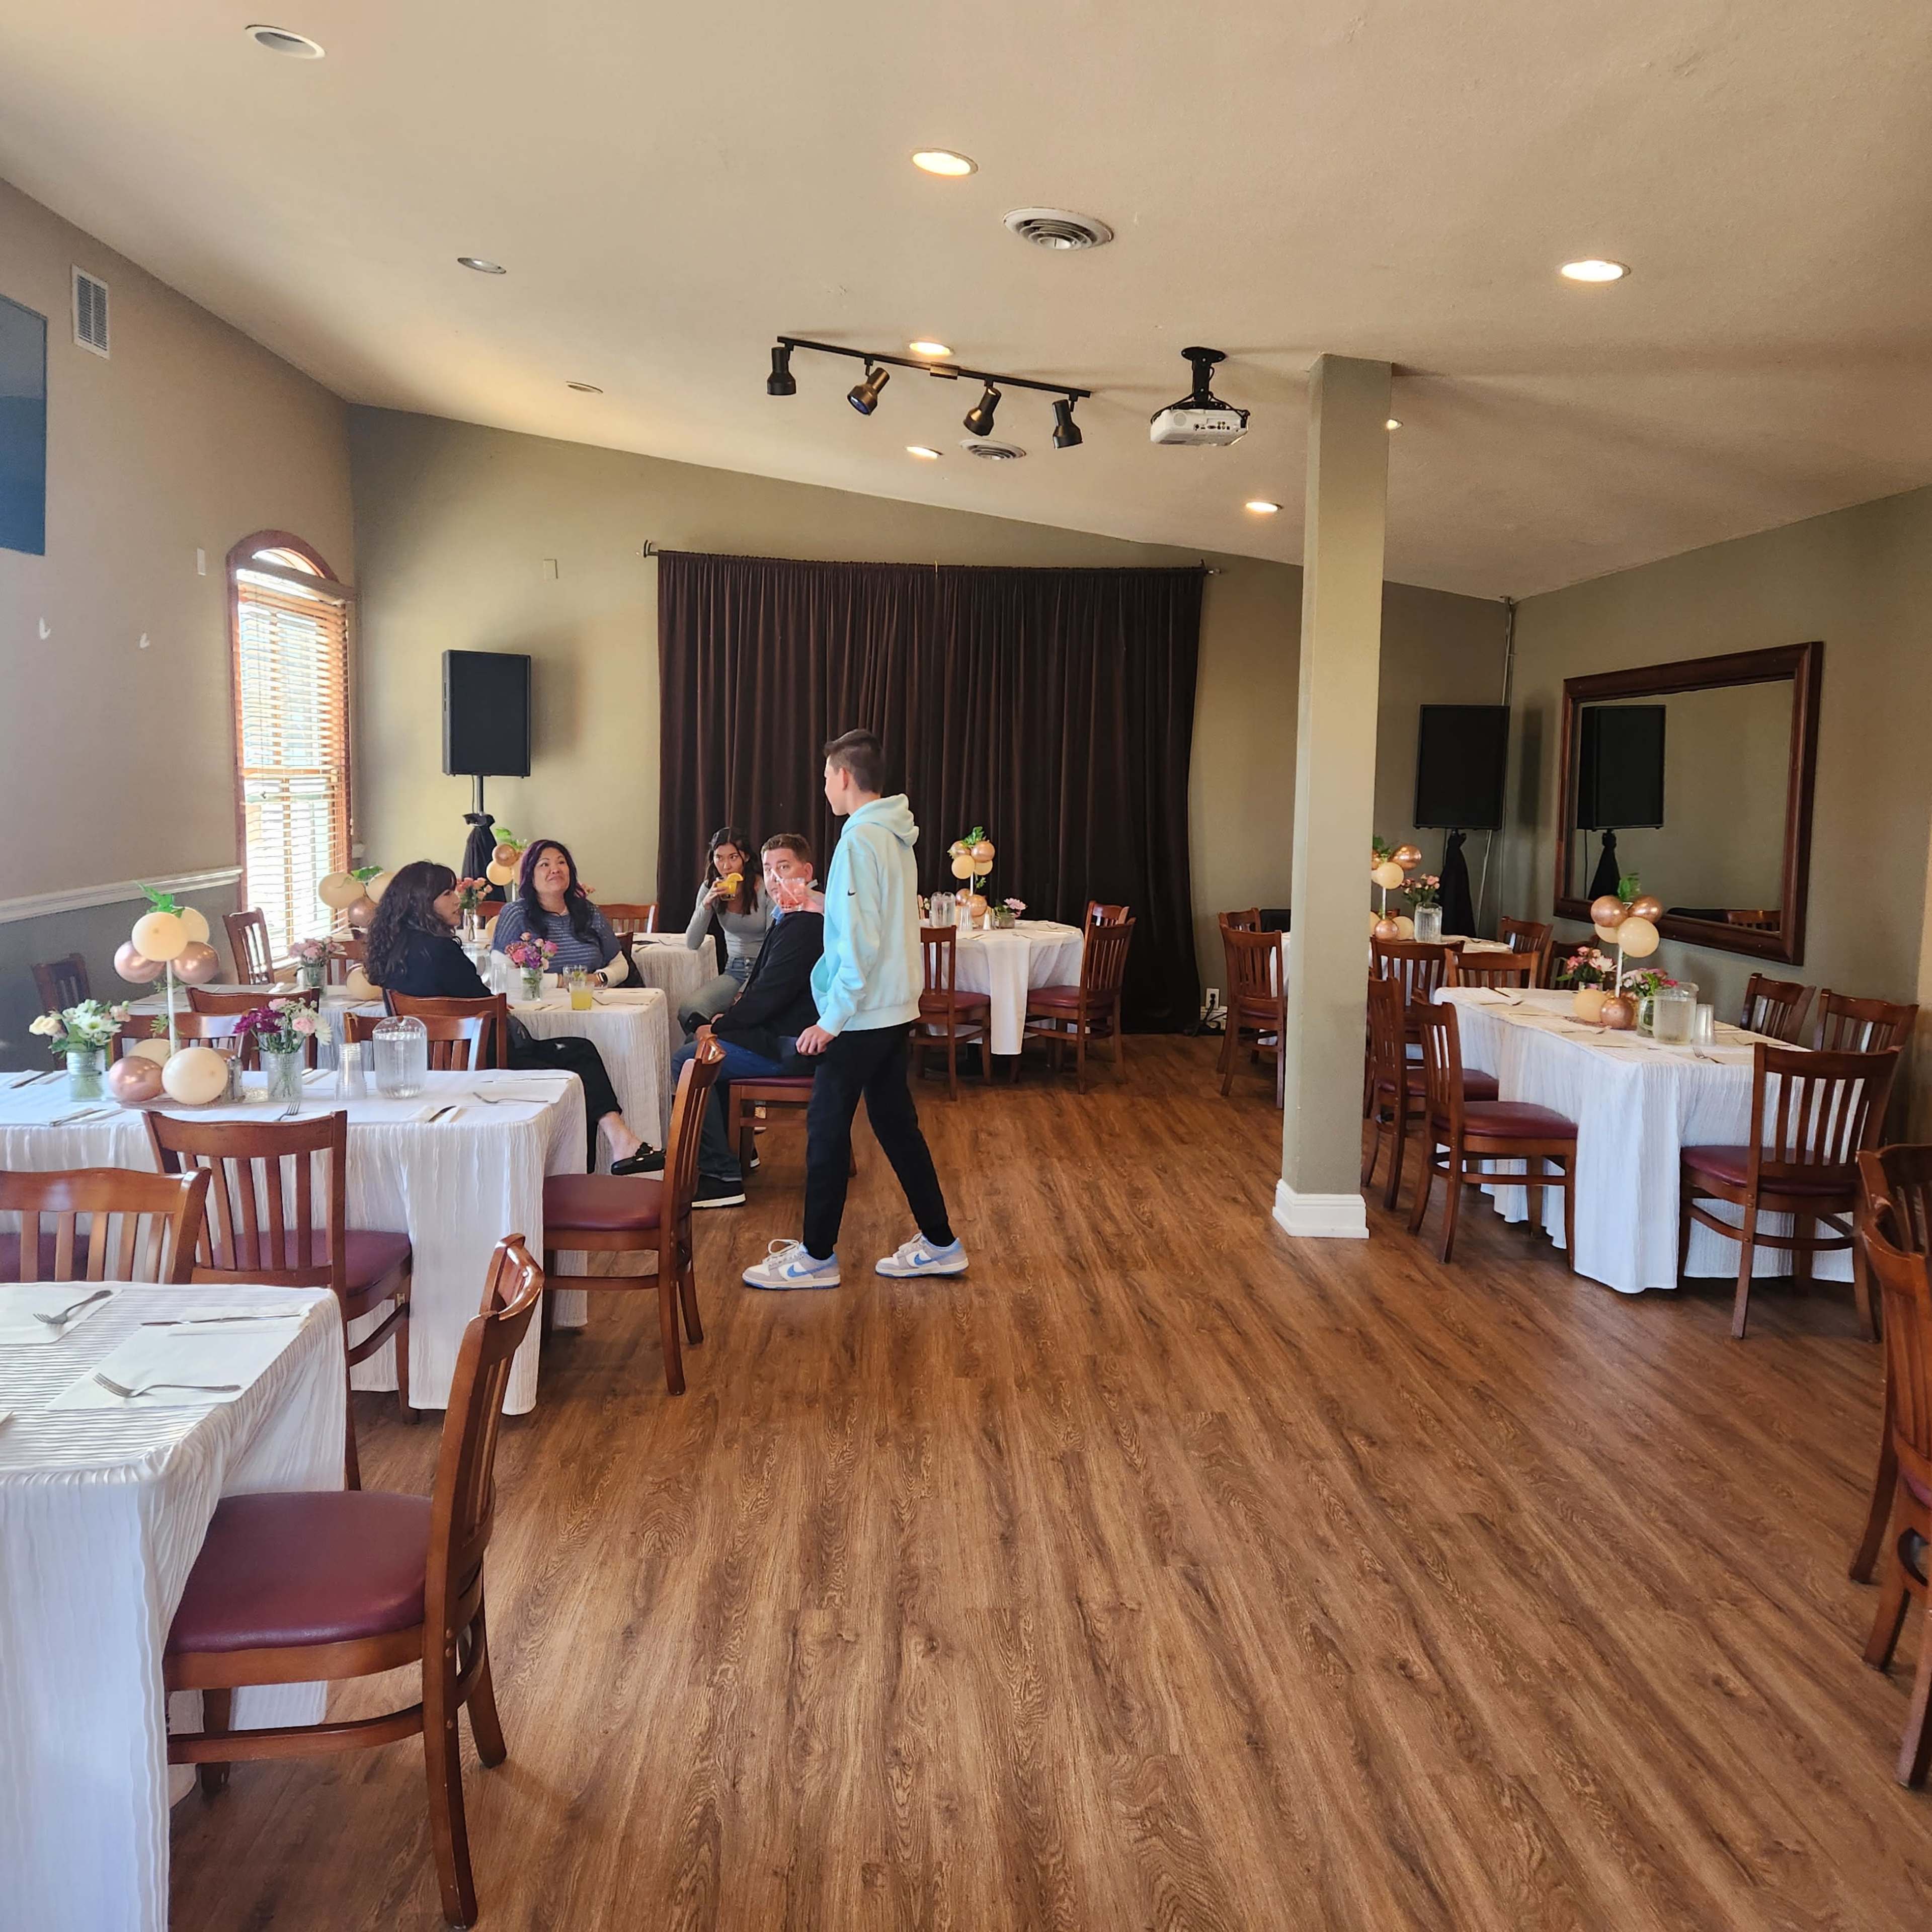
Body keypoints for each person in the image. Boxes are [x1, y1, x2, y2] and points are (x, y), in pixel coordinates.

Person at [741, 730, 966, 1290]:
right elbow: (877, 924)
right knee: (895, 1126)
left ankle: (817, 1256)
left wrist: (830, 1020)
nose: (823, 788)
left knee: (826, 1129)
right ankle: (941, 1243)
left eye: (825, 778)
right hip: (890, 1009)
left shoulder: (858, 841)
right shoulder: (893, 836)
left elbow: (859, 943)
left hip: (862, 1015)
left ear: (843, 776)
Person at [367, 860, 658, 1174]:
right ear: (422, 902)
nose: (457, 900)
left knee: (579, 1051)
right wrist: (496, 1007)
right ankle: (587, 1168)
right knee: (578, 1069)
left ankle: (620, 1142)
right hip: (483, 1064)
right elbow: (483, 1004)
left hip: (429, 1068)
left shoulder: (392, 950)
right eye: (447, 893)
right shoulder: (440, 951)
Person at [647, 834, 823, 1210]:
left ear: (806, 872)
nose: (776, 878)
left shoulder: (804, 924)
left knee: (692, 1059)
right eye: (772, 869)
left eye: (785, 868)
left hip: (792, 1044)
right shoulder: (790, 915)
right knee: (704, 1044)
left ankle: (721, 1176)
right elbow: (759, 989)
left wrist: (721, 1026)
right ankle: (737, 1154)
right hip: (779, 1028)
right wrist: (725, 1023)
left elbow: (770, 995)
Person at [679, 825, 773, 1031]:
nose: (726, 866)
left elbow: (773, 942)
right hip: (735, 969)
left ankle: (716, 1055)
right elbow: (692, 943)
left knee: (741, 1021)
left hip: (765, 971)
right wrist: (706, 905)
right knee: (689, 1011)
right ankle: (706, 1056)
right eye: (719, 858)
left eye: (733, 858)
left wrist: (746, 990)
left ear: (746, 858)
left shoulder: (764, 888)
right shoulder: (709, 887)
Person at [492, 839, 627, 981]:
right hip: (538, 1002)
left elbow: (620, 964)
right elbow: (502, 976)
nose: (556, 870)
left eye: (561, 862)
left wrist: (599, 979)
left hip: (590, 999)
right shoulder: (516, 914)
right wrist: (561, 982)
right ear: (530, 875)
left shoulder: (588, 911)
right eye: (545, 864)